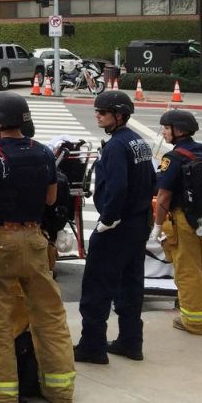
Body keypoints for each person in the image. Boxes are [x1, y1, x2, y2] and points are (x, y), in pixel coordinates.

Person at [0, 92, 74, 403]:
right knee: (50, 316)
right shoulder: (43, 152)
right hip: (35, 241)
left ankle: (1, 394)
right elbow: (51, 199)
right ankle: (59, 389)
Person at [73, 90, 156, 364]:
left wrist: (108, 220)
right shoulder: (138, 142)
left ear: (119, 116)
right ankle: (131, 341)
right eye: (97, 111)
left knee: (97, 286)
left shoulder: (117, 146)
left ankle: (92, 346)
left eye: (103, 112)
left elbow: (118, 187)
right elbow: (152, 182)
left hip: (117, 225)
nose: (97, 115)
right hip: (138, 222)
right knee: (131, 284)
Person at [153, 109, 202, 334]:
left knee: (188, 270)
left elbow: (164, 196)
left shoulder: (173, 157)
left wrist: (157, 226)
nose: (164, 132)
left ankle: (195, 321)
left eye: (167, 128)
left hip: (185, 220)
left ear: (179, 131)